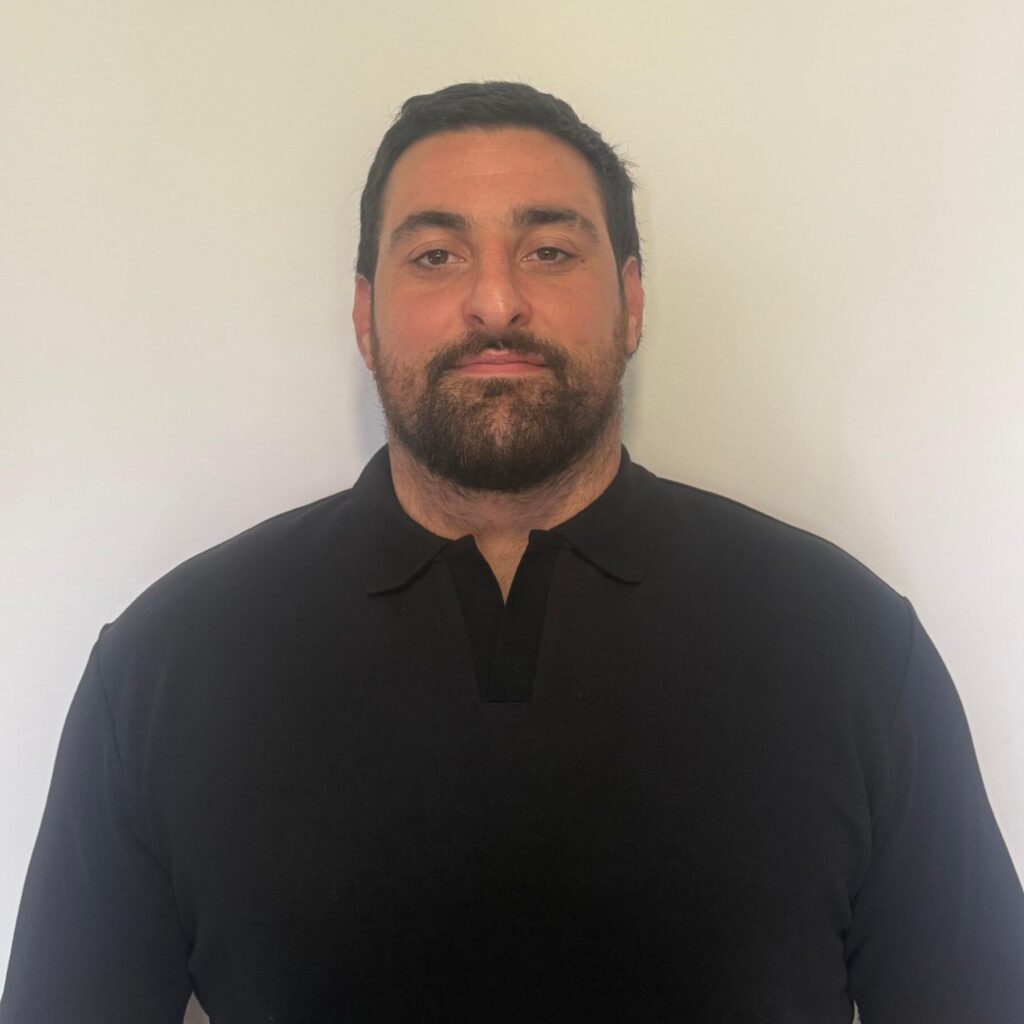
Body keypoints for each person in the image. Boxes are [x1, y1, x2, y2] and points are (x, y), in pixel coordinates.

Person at [2, 81, 1022, 1024]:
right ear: (363, 314)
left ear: (631, 299)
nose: (495, 302)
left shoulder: (847, 645)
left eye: (549, 251)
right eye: (435, 256)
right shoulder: (167, 667)